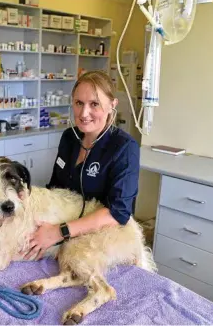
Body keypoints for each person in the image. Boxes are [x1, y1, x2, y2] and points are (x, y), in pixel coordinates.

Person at [23, 70, 140, 260]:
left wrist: (58, 232)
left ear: (112, 105)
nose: (84, 113)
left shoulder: (124, 148)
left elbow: (118, 213)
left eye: (94, 104)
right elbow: (55, 188)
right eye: (79, 103)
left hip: (102, 236)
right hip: (62, 224)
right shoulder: (70, 137)